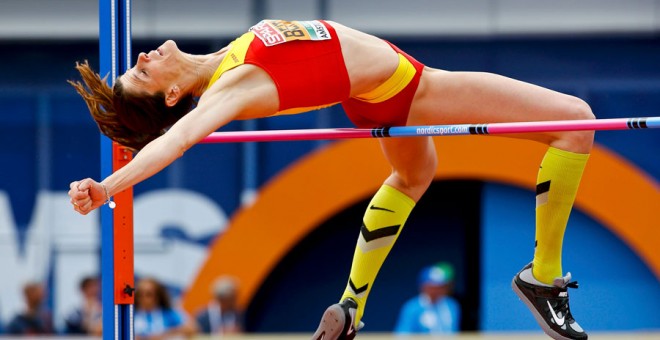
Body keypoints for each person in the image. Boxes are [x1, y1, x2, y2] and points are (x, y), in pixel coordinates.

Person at [67, 19, 594, 340]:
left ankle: (351, 304)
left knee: (414, 175)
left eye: (133, 65)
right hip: (413, 90)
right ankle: (542, 277)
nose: (140, 57)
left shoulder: (225, 60)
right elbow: (176, 142)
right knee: (574, 122)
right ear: (172, 98)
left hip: (374, 95)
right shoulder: (231, 87)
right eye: (141, 74)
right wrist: (109, 187)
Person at [394, 263, 460, 335]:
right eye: (432, 286)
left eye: (440, 286)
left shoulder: (451, 305)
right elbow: (402, 334)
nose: (437, 290)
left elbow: (453, 332)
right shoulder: (412, 307)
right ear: (424, 286)